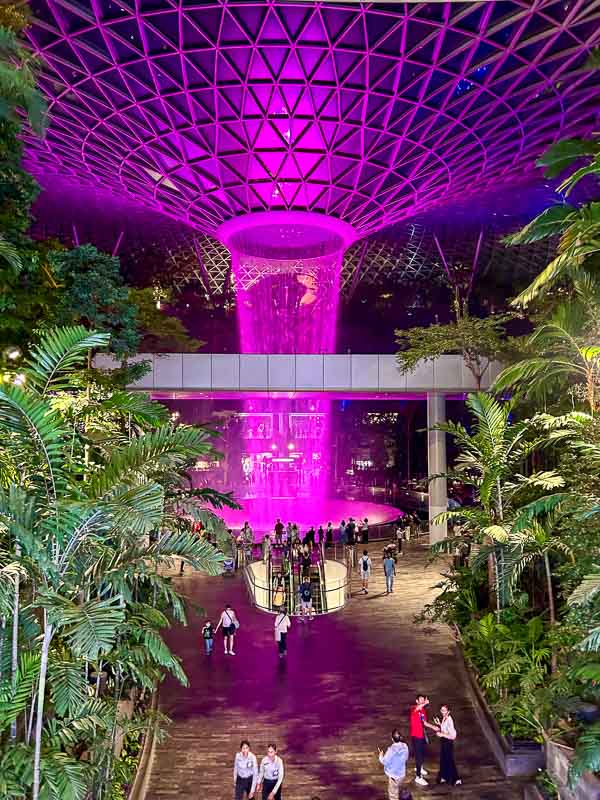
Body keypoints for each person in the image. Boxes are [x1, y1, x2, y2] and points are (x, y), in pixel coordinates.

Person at [409, 694, 438, 786]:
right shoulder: (414, 709)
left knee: (422, 752)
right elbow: (418, 708)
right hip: (416, 736)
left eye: (423, 700)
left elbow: (424, 723)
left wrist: (434, 727)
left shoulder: (423, 711)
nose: (422, 701)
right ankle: (418, 777)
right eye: (420, 700)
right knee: (419, 755)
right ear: (417, 701)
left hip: (422, 735)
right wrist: (424, 703)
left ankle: (420, 767)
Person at [433, 705, 462, 786]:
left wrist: (441, 734)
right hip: (444, 742)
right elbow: (444, 729)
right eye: (441, 710)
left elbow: (452, 736)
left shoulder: (449, 720)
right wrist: (439, 724)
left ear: (448, 711)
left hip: (448, 742)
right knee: (444, 760)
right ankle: (444, 777)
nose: (442, 712)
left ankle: (456, 778)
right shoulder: (444, 718)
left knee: (449, 760)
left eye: (444, 711)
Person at [378, 728, 409, 800]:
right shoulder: (405, 746)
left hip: (393, 776)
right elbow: (406, 758)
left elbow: (384, 761)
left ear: (392, 739)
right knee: (399, 790)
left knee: (393, 794)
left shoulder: (391, 750)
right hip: (402, 774)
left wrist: (380, 755)